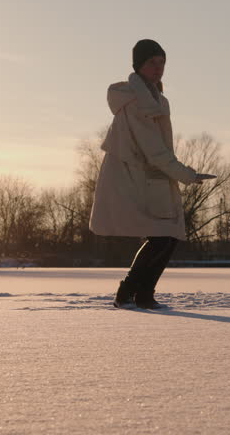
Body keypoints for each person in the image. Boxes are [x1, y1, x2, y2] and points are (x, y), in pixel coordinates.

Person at [89, 39, 213, 309]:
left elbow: (157, 151)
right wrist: (187, 175)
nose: (158, 68)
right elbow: (153, 150)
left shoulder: (155, 98)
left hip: (152, 177)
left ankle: (142, 294)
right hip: (138, 179)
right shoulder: (137, 102)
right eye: (152, 63)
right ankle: (129, 293)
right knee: (163, 235)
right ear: (139, 66)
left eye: (162, 62)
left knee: (166, 237)